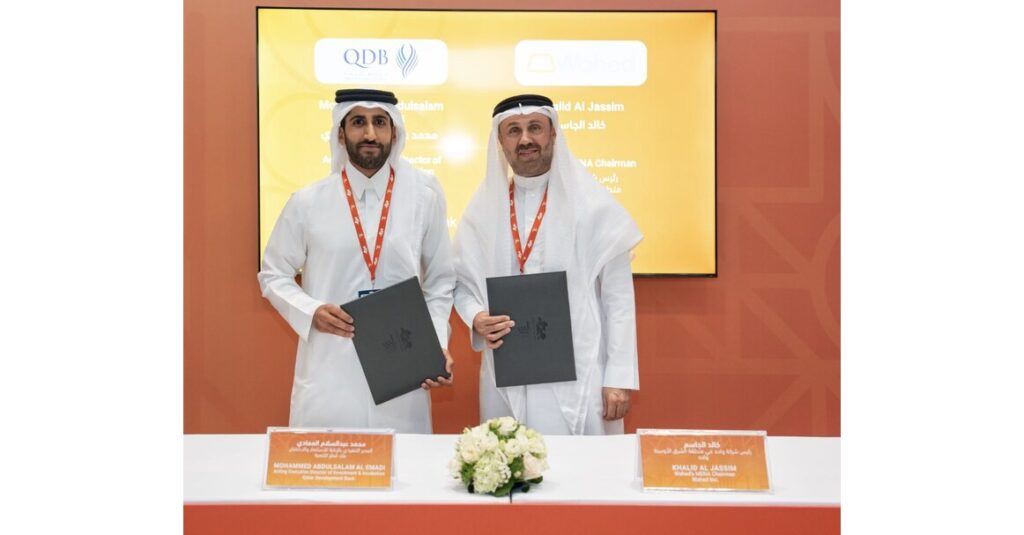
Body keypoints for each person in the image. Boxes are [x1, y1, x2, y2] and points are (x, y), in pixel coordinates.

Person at [258, 88, 455, 432]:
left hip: (403, 369)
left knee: (402, 461)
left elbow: (440, 281)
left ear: (395, 132)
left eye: (380, 122)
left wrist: (435, 344)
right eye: (358, 123)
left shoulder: (424, 198)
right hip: (330, 371)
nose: (370, 134)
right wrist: (312, 311)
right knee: (329, 462)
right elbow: (273, 274)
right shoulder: (307, 202)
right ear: (340, 133)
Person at [454, 94, 643, 435]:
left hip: (580, 373)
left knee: (578, 465)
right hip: (507, 369)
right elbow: (462, 285)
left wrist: (618, 378)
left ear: (553, 133)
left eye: (535, 128)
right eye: (514, 130)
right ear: (500, 141)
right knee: (508, 459)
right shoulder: (481, 211)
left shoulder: (594, 207)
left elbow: (618, 298)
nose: (525, 139)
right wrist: (477, 318)